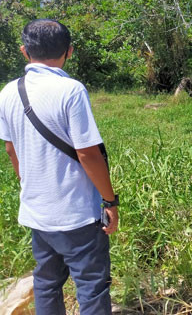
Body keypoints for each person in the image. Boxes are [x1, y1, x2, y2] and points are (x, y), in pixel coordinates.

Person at [0, 19, 119, 315]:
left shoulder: (8, 92)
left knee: (47, 282)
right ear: (70, 50)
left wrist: (32, 185)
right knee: (91, 285)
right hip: (76, 214)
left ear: (23, 50)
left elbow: (11, 149)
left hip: (37, 212)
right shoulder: (71, 90)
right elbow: (88, 154)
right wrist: (109, 200)